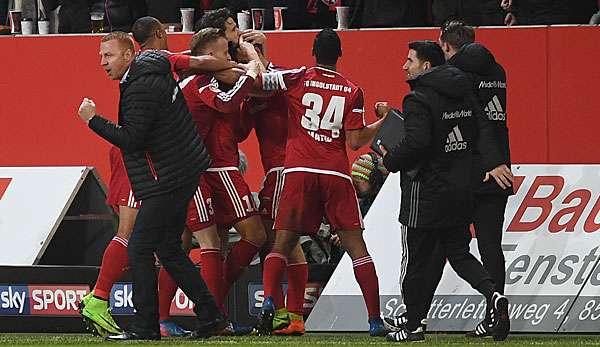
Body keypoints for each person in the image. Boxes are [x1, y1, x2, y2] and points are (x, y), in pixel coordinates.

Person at [77, 17, 240, 339]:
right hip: (181, 171)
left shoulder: (139, 85)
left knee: (139, 247)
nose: (102, 63)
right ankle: (211, 316)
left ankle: (146, 326)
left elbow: (133, 139)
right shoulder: (152, 63)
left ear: (127, 54)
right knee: (167, 247)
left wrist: (92, 120)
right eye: (100, 57)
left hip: (166, 177)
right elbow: (194, 61)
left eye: (107, 56)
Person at [255, 28, 388, 337]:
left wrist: (257, 53)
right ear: (339, 55)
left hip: (299, 171)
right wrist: (384, 120)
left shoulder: (297, 77)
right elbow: (355, 141)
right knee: (358, 249)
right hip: (335, 174)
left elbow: (262, 80)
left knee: (282, 244)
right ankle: (374, 320)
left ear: (313, 51)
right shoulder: (352, 90)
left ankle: (269, 303)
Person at [379, 40, 510, 343]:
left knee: (415, 263)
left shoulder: (418, 99)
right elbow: (482, 127)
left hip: (425, 192)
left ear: (426, 66)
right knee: (460, 254)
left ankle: (413, 326)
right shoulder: (464, 91)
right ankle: (494, 296)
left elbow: (417, 143)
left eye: (409, 60)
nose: (404, 65)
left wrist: (390, 159)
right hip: (461, 190)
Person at [439, 21, 514, 338]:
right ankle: (494, 314)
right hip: (500, 168)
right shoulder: (497, 71)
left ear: (445, 46)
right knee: (491, 247)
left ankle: (415, 316)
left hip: (467, 170)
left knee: (445, 244)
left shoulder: (455, 77)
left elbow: (472, 124)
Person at [351, 152, 389, 216]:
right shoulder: (362, 206)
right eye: (353, 177)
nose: (354, 185)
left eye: (360, 178)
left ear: (375, 180)